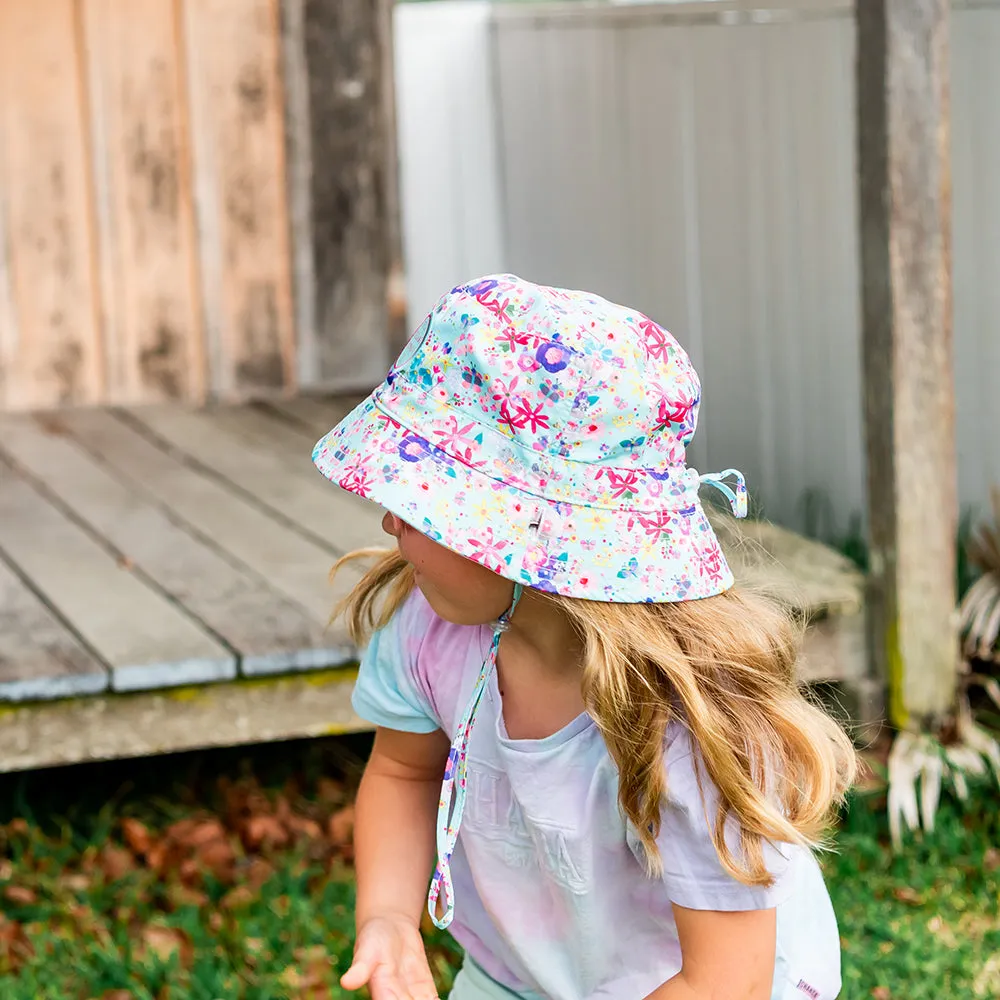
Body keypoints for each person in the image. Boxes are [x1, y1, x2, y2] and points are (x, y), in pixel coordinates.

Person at [312, 275, 857, 1000]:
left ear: (519, 535)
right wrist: (386, 918)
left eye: (419, 500)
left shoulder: (686, 724)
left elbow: (725, 982)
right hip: (525, 976)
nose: (390, 520)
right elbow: (404, 774)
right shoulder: (431, 630)